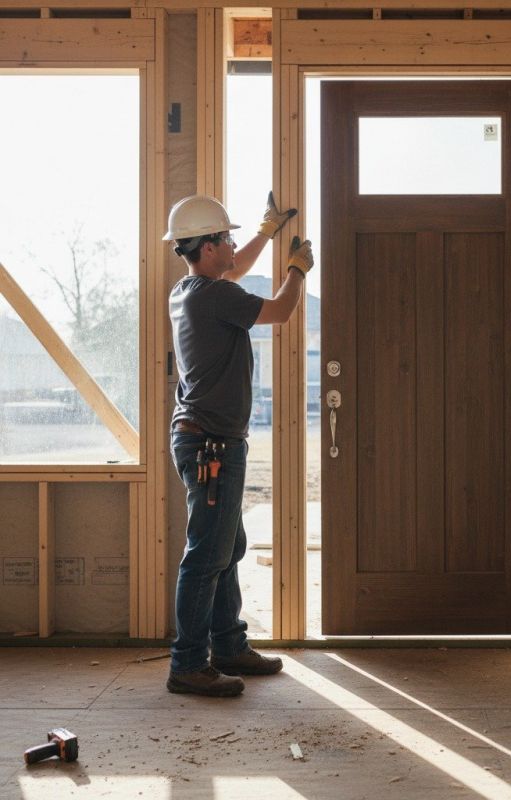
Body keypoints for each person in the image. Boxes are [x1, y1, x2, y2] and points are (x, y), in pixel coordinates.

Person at [163, 192, 314, 697]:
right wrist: (297, 269)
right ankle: (187, 663)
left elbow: (235, 268)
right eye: (225, 237)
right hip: (212, 446)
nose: (232, 245)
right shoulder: (213, 296)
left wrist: (267, 233)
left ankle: (227, 645)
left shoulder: (190, 289)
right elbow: (281, 311)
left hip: (205, 440)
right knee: (207, 555)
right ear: (207, 247)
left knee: (227, 548)